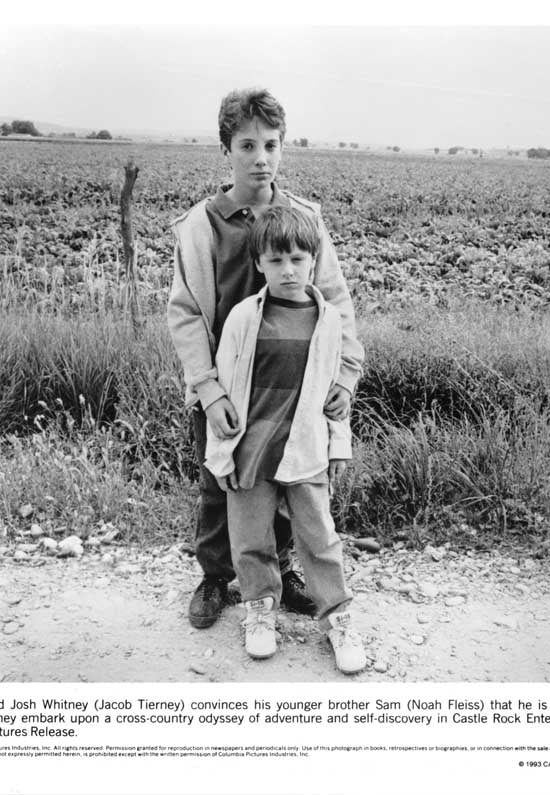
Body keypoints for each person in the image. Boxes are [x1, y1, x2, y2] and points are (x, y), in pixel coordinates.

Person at [166, 88, 363, 629]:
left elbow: (336, 300)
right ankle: (215, 576)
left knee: (289, 478)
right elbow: (186, 314)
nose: (261, 157)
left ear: (282, 149)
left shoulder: (303, 220)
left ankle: (277, 576)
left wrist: (345, 372)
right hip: (226, 388)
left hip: (292, 384)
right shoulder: (203, 225)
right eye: (247, 144)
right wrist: (207, 390)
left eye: (271, 145)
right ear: (226, 149)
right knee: (221, 479)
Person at [205, 206, 366, 674]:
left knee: (319, 537)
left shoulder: (329, 320)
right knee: (251, 539)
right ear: (258, 264)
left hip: (307, 448)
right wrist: (224, 455)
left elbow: (335, 396)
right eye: (276, 261)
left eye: (298, 258)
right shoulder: (242, 318)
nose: (288, 270)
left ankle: (337, 617)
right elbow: (226, 390)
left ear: (314, 260)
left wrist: (338, 445)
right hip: (252, 448)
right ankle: (260, 609)